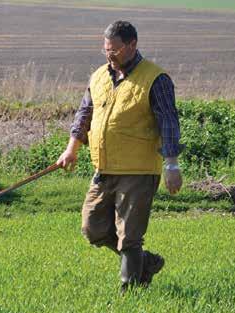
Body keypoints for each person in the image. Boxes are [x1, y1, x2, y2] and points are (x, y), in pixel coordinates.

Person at [57, 20, 183, 293]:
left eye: (114, 49)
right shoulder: (99, 76)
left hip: (138, 170)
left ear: (132, 45)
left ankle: (131, 291)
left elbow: (169, 123)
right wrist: (72, 148)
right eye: (105, 49)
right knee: (93, 228)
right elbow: (84, 115)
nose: (109, 55)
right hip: (104, 167)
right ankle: (145, 264)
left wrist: (172, 164)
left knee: (129, 237)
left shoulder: (155, 79)